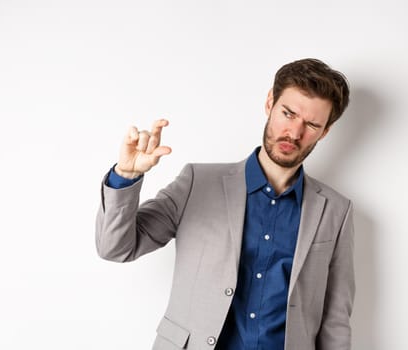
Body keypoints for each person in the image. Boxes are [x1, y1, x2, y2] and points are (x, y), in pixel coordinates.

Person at [96, 58, 355, 350]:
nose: (294, 133)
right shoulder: (198, 183)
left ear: (325, 131)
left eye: (311, 124)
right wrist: (126, 176)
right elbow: (116, 248)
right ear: (270, 103)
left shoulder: (335, 211)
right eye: (288, 113)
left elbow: (335, 319)